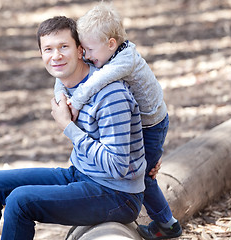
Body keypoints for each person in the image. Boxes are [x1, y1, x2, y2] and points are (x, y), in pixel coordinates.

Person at [0, 16, 148, 240]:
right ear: (41, 55)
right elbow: (60, 81)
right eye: (48, 49)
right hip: (80, 175)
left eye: (64, 47)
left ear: (80, 51)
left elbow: (118, 167)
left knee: (20, 201)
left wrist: (68, 127)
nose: (56, 56)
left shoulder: (110, 94)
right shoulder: (67, 83)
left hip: (117, 194)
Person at [53, 3, 182, 240]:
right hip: (139, 123)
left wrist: (76, 103)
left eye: (89, 50)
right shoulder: (107, 54)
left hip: (152, 125)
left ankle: (167, 223)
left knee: (144, 175)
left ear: (111, 44)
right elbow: (67, 75)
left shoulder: (125, 61)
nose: (87, 57)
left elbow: (94, 83)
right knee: (145, 169)